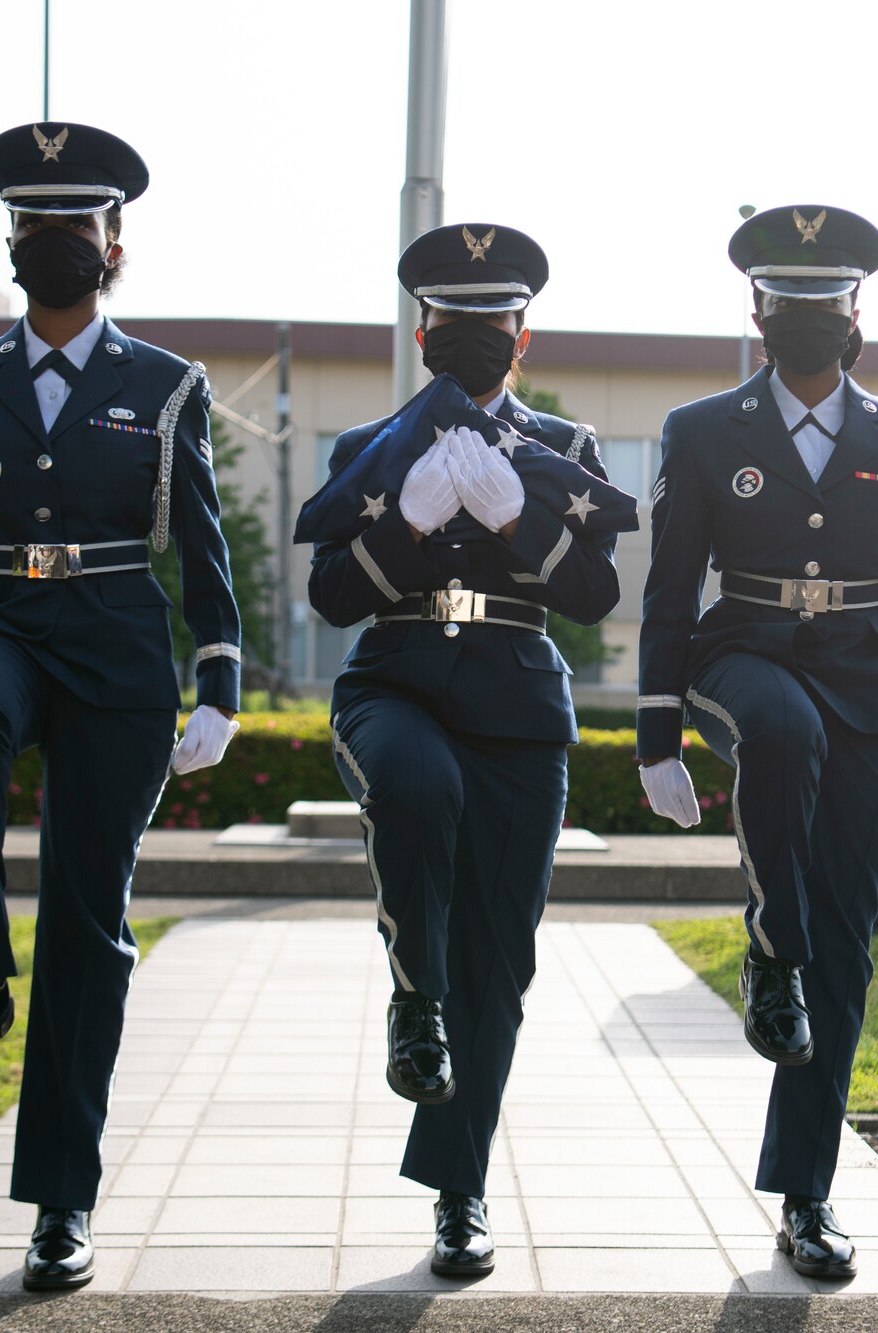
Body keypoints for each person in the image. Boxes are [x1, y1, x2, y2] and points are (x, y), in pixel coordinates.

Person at [0, 121, 243, 1291]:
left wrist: (220, 678)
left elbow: (200, 541)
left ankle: (59, 1204)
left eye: (76, 226)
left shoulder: (165, 384)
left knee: (89, 927)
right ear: (13, 240)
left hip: (114, 646)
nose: (57, 243)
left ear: (114, 242)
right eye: (36, 226)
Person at [634, 205, 878, 1281]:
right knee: (777, 727)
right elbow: (670, 589)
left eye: (827, 301)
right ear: (758, 310)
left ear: (854, 311)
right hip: (744, 656)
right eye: (789, 300)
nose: (808, 316)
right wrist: (655, 735)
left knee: (846, 948)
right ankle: (768, 942)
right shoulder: (700, 429)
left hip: (869, 691)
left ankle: (806, 1195)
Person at [304, 223, 624, 1276]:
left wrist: (520, 520)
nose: (475, 334)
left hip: (518, 705)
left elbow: (590, 596)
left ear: (520, 335)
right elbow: (333, 594)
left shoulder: (565, 453)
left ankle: (458, 1190)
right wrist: (406, 520)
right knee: (412, 782)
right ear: (421, 329)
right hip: (394, 683)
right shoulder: (370, 448)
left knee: (503, 961)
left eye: (494, 320)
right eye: (455, 318)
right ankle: (413, 992)